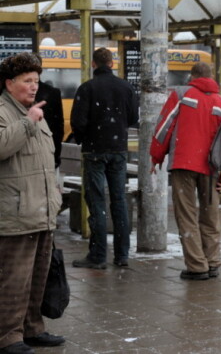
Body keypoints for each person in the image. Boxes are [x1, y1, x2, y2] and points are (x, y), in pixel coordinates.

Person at [150, 62, 221, 280]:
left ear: (192, 76)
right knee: (210, 216)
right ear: (212, 76)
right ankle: (212, 262)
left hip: (184, 164)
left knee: (187, 216)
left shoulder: (181, 94)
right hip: (212, 167)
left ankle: (197, 266)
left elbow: (164, 126)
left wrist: (156, 155)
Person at [0, 53, 65, 354]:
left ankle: (32, 328)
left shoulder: (35, 112)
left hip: (41, 210)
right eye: (27, 81)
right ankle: (8, 336)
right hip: (15, 212)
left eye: (36, 81)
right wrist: (27, 123)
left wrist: (55, 198)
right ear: (9, 83)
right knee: (14, 280)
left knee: (38, 277)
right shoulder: (4, 112)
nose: (33, 87)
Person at [70, 47, 139, 269]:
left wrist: (85, 137)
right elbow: (132, 118)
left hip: (94, 151)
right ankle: (122, 255)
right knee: (118, 201)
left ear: (93, 64)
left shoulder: (87, 88)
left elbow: (78, 122)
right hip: (118, 150)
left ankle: (98, 256)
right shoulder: (126, 87)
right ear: (112, 63)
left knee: (97, 202)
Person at [35, 56, 64, 168]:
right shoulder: (52, 93)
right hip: (46, 150)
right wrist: (56, 154)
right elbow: (58, 128)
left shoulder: (11, 92)